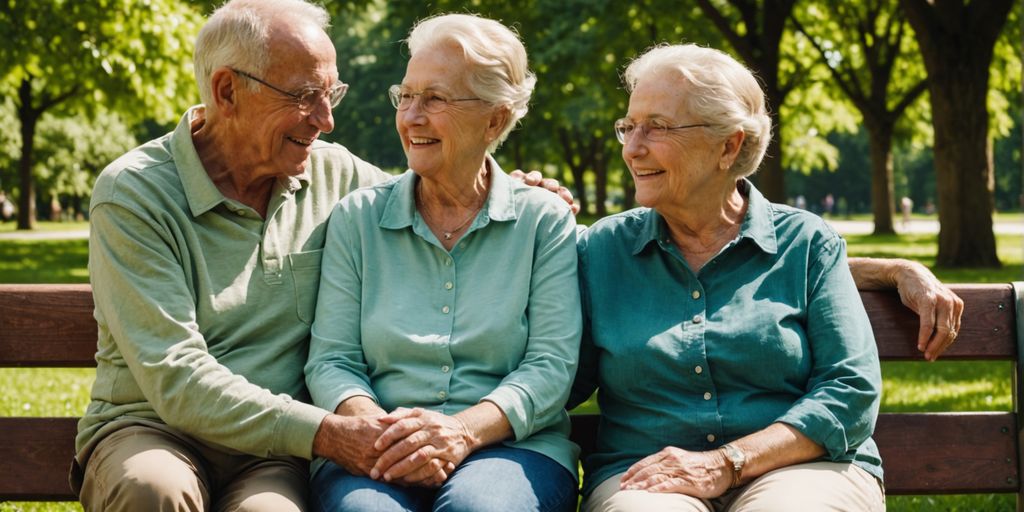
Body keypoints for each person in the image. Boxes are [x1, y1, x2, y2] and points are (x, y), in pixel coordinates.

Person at [70, 2, 571, 510]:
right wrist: (332, 432)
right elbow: (176, 378)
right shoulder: (134, 193)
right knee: (153, 489)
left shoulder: (335, 177)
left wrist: (522, 189)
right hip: (155, 428)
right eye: (306, 96)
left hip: (270, 452)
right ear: (227, 91)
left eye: (331, 94)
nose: (327, 121)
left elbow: (439, 186)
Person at [571, 44, 887, 511]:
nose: (632, 148)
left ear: (729, 145)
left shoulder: (806, 243)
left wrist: (728, 461)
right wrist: (527, 218)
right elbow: (559, 379)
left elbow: (851, 389)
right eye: (628, 127)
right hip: (647, 472)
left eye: (656, 127)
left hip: (800, 468)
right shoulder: (602, 250)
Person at [304, 14, 580, 512]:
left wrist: (460, 432)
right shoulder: (357, 218)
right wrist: (378, 432)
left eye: (435, 99)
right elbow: (332, 360)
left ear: (495, 118)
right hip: (376, 444)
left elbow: (551, 366)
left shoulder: (543, 220)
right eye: (406, 96)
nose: (411, 116)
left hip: (511, 449)